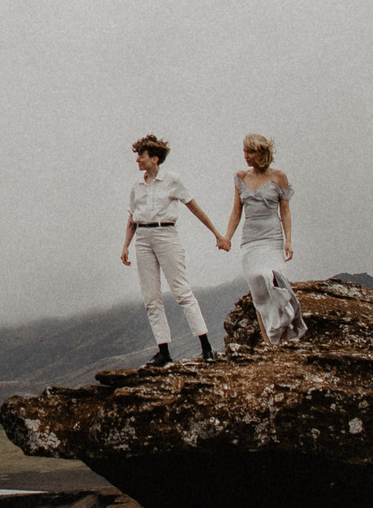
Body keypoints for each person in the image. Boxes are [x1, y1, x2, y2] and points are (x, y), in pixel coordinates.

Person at [121, 135, 231, 366]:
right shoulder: (137, 186)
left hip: (166, 235)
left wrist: (217, 234)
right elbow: (132, 217)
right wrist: (126, 245)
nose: (138, 160)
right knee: (151, 297)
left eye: (141, 156)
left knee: (181, 291)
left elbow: (194, 207)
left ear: (155, 158)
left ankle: (206, 347)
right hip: (143, 238)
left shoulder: (172, 180)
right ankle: (163, 352)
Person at [229, 133, 306, 347]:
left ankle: (285, 330)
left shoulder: (278, 177)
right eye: (244, 151)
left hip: (272, 239)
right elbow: (236, 211)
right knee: (258, 291)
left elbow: (285, 211)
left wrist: (288, 241)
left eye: (250, 151)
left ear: (261, 153)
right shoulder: (240, 177)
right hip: (249, 241)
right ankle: (271, 343)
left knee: (272, 279)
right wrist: (227, 237)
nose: (246, 155)